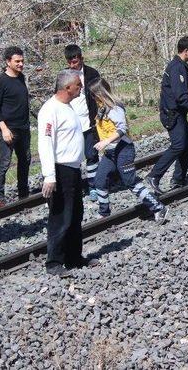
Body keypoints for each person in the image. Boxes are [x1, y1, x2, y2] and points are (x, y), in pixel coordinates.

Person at [38, 69, 95, 276]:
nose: (81, 89)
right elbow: (45, 143)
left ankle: (74, 257)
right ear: (67, 87)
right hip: (60, 170)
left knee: (75, 215)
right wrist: (49, 176)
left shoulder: (68, 106)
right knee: (60, 217)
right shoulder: (50, 110)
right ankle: (54, 262)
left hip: (72, 169)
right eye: (78, 85)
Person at [88, 78, 168, 222]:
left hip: (123, 150)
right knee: (99, 180)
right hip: (110, 152)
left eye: (93, 95)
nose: (92, 98)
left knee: (130, 181)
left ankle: (158, 207)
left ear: (100, 94)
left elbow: (122, 129)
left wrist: (105, 141)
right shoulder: (101, 108)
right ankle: (104, 212)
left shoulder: (114, 108)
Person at [146, 36, 188, 195]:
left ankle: (178, 180)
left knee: (187, 146)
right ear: (186, 51)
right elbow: (180, 93)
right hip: (172, 113)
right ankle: (154, 176)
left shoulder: (180, 66)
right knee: (178, 145)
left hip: (177, 112)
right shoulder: (177, 68)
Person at [0, 46, 31, 207]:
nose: (21, 64)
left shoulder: (21, 78)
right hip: (9, 129)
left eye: (22, 61)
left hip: (24, 128)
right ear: (8, 62)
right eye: (17, 61)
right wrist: (4, 129)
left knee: (25, 160)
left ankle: (24, 194)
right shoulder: (0, 82)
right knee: (4, 163)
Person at [63, 44, 101, 201]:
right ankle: (75, 188)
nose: (73, 65)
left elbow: (100, 95)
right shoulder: (63, 76)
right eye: (70, 62)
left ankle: (94, 185)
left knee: (91, 154)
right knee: (74, 158)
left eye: (76, 61)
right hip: (71, 124)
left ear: (81, 58)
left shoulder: (92, 73)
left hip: (89, 121)